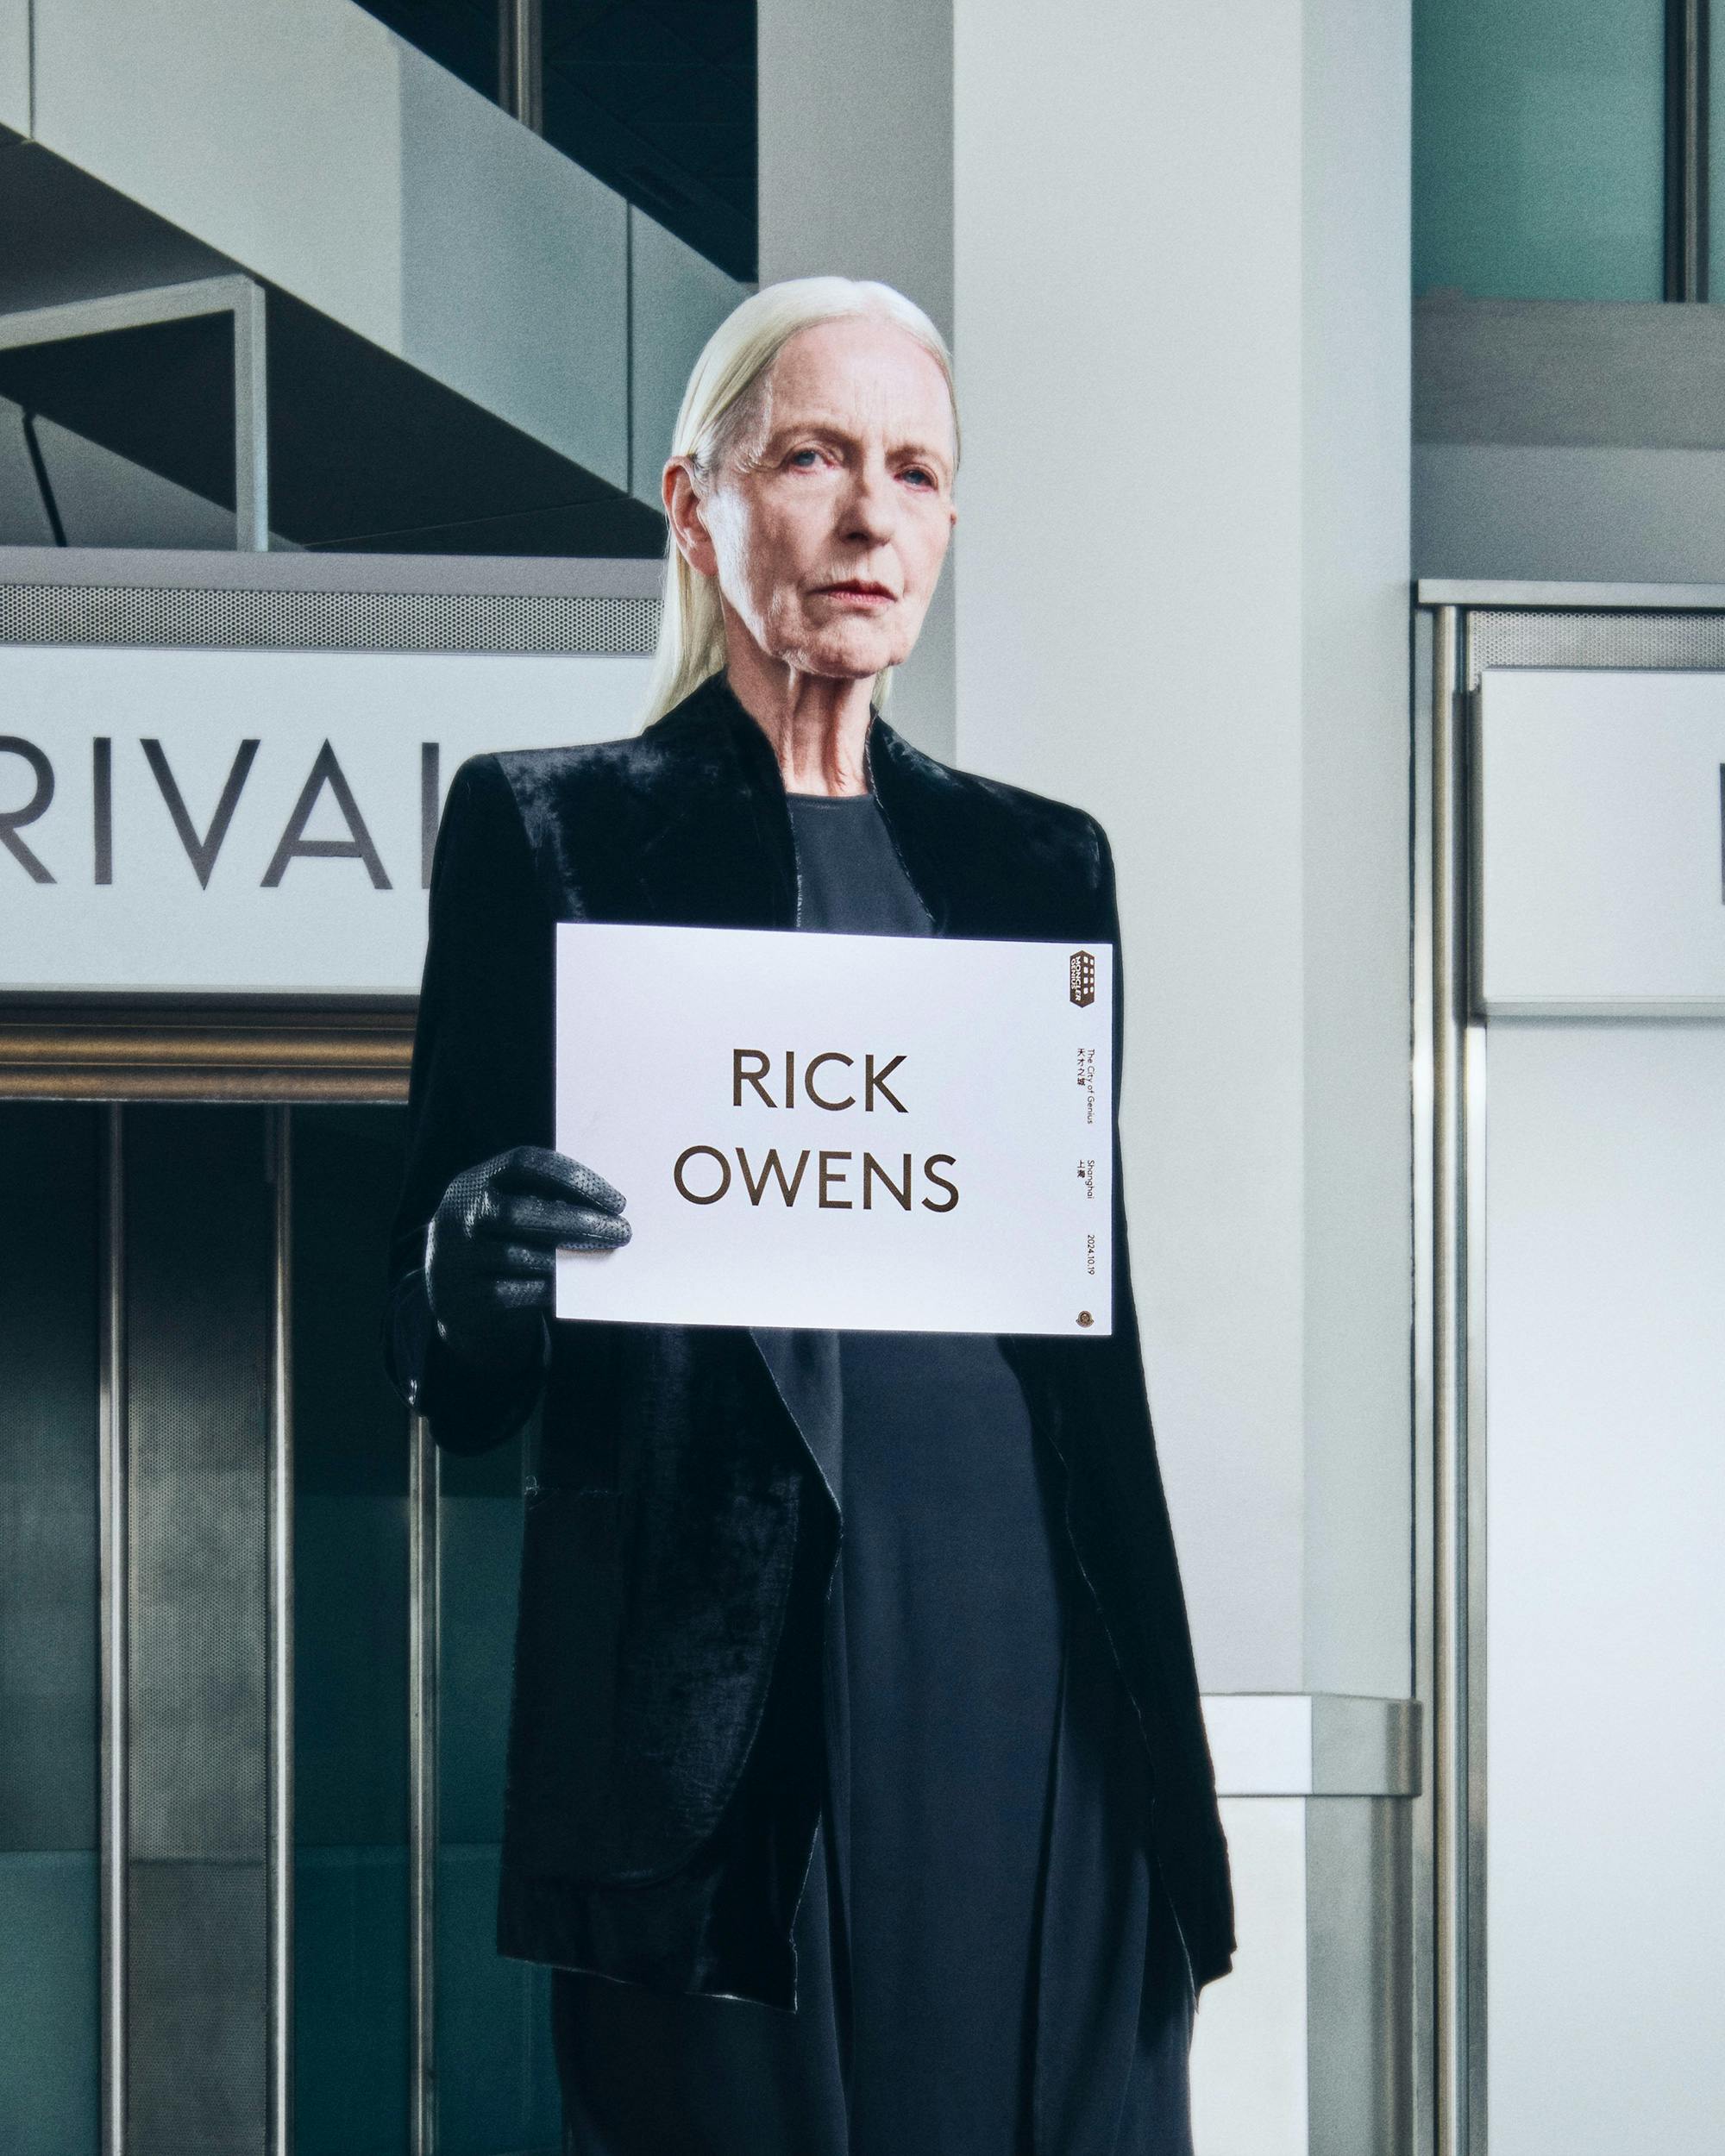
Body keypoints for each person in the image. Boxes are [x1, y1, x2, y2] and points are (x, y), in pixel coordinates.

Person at [381, 275, 1234, 2154]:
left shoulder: (1040, 862)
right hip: (724, 1693)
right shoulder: (548, 832)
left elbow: (1080, 1314)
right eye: (816, 458)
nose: (869, 515)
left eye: (915, 470)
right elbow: (450, 1365)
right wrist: (472, 1268)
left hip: (1041, 1644)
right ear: (699, 504)